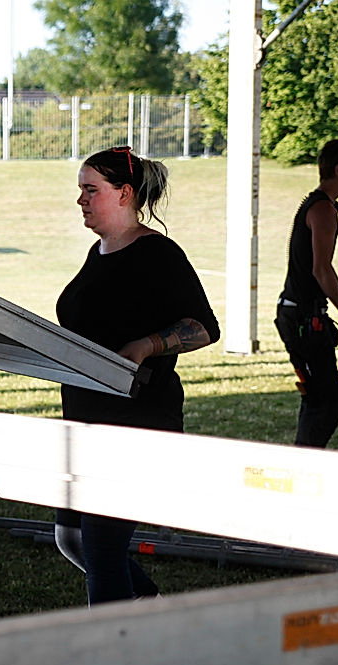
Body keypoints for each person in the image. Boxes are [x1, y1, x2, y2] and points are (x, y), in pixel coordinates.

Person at [53, 146, 220, 605]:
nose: (81, 200)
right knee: (72, 539)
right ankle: (153, 610)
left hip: (135, 423)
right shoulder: (98, 251)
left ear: (124, 193)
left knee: (102, 546)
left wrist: (147, 346)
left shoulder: (158, 254)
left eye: (91, 190)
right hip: (84, 422)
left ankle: (116, 652)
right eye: (80, 191)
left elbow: (204, 327)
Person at [274, 139, 338, 448]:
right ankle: (304, 472)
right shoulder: (323, 209)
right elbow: (321, 269)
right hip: (302, 317)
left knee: (319, 400)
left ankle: (304, 466)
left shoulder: (318, 205)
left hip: (299, 313)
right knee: (324, 405)